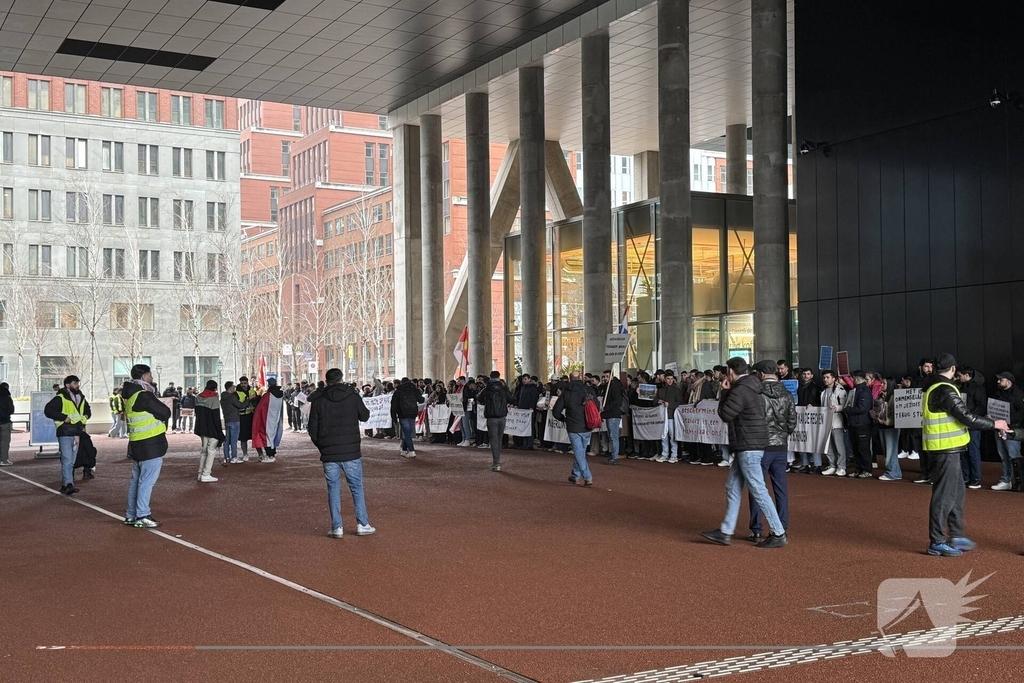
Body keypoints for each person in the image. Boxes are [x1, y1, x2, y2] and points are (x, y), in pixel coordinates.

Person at [920, 353, 1006, 556]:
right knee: (945, 496)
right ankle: (937, 541)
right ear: (952, 370)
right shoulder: (945, 389)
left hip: (947, 449)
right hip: (945, 450)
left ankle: (956, 535)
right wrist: (994, 424)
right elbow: (966, 417)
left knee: (956, 494)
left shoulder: (933, 386)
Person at [701, 357, 788, 549]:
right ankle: (725, 530)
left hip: (748, 445)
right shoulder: (751, 386)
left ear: (731, 372)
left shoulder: (740, 389)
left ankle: (778, 532)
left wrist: (724, 392)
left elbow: (725, 414)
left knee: (757, 489)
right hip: (750, 443)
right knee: (733, 486)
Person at [308, 368, 375, 538]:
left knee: (333, 489)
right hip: (351, 451)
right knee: (356, 488)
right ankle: (362, 524)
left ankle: (337, 527)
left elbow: (312, 429)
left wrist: (322, 446)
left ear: (326, 380)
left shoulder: (319, 400)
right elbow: (365, 416)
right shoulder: (352, 396)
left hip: (329, 452)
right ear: (341, 378)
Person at [747, 360, 796, 543]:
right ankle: (781, 527)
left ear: (760, 374)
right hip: (781, 446)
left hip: (760, 445)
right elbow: (792, 422)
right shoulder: (788, 394)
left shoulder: (757, 393)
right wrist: (782, 434)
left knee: (757, 487)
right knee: (781, 488)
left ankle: (756, 528)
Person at [123, 364, 172, 527]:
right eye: (150, 375)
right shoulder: (144, 395)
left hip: (137, 443)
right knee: (146, 481)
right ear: (144, 376)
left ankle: (131, 514)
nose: (151, 378)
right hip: (150, 443)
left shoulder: (130, 397)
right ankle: (142, 515)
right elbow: (165, 412)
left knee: (136, 481)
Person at [44, 375, 92, 495]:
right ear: (67, 385)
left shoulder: (81, 397)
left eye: (77, 383)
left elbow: (88, 410)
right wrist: (64, 418)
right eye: (75, 383)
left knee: (72, 461)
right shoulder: (60, 398)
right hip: (65, 431)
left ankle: (66, 484)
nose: (77, 385)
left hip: (77, 432)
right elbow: (48, 410)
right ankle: (69, 484)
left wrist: (85, 417)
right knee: (67, 459)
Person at [552, 371, 596, 486]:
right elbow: (597, 406)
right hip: (588, 424)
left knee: (578, 452)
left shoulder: (566, 392)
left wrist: (564, 419)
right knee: (581, 451)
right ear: (580, 378)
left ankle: (587, 477)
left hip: (573, 425)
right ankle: (575, 475)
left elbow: (556, 411)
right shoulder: (588, 390)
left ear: (570, 379)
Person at [990, 371, 1023, 491]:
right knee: (1003, 455)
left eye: (1001, 379)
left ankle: (1018, 481)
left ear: (1008, 381)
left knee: (1013, 455)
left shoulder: (1018, 394)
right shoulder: (998, 393)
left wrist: (1009, 421)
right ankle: (1006, 480)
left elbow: (1021, 412)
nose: (998, 382)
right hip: (1000, 427)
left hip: (1011, 429)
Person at [955, 366, 986, 489]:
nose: (958, 377)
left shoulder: (978, 388)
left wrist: (969, 418)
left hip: (973, 425)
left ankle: (976, 478)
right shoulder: (960, 387)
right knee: (963, 452)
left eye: (960, 375)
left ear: (967, 376)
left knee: (973, 452)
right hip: (963, 424)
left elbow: (981, 406)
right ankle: (966, 476)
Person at [479, 371, 513, 472]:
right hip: (502, 416)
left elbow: (479, 398)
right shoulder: (504, 388)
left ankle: (496, 462)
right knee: (499, 439)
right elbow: (512, 398)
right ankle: (497, 460)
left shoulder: (487, 388)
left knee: (493, 440)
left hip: (491, 417)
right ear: (499, 377)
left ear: (490, 377)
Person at [843, 371, 875, 478]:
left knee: (863, 448)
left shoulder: (864, 391)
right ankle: (859, 468)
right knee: (856, 448)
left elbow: (863, 408)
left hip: (862, 423)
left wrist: (848, 410)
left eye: (853, 378)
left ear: (856, 378)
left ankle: (867, 469)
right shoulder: (855, 390)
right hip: (854, 423)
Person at [193, 380, 224, 483]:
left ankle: (200, 473)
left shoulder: (198, 397)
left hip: (202, 427)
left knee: (204, 451)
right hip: (212, 428)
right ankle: (206, 473)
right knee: (211, 451)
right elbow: (216, 417)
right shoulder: (214, 398)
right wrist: (220, 432)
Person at [252, 377, 284, 462]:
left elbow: (260, 408)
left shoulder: (267, 395)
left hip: (267, 420)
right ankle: (272, 454)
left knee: (266, 436)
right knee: (273, 436)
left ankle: (270, 455)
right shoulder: (280, 394)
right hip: (276, 418)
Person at [655, 371, 684, 463]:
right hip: (662, 416)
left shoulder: (677, 390)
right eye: (668, 378)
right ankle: (665, 454)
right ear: (665, 379)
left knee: (672, 436)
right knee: (663, 436)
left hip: (672, 416)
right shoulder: (660, 390)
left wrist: (670, 404)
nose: (670, 380)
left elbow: (680, 404)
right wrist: (658, 401)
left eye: (672, 379)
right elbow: (654, 401)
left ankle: (674, 455)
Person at [391, 377, 421, 458]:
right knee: (408, 432)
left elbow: (393, 405)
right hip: (413, 413)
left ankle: (411, 450)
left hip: (403, 414)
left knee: (406, 433)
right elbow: (421, 400)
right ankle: (404, 449)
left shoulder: (398, 391)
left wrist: (393, 417)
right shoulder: (414, 390)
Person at [601, 369, 624, 465]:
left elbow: (616, 401)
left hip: (613, 414)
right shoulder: (608, 386)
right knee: (611, 436)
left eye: (607, 376)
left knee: (613, 436)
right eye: (604, 376)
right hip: (610, 414)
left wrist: (605, 408)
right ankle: (613, 455)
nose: (605, 378)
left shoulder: (614, 386)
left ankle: (614, 456)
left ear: (612, 376)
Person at [513, 374, 541, 450]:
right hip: (522, 410)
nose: (524, 381)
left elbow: (534, 399)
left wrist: (531, 407)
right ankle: (524, 444)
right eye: (523, 379)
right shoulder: (522, 387)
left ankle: (529, 444)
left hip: (529, 411)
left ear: (529, 379)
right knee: (523, 427)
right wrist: (517, 405)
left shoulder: (533, 388)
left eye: (525, 379)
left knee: (529, 427)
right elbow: (520, 398)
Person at [220, 381, 245, 465]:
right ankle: (234, 457)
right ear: (230, 388)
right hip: (235, 420)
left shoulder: (222, 398)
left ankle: (226, 457)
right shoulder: (232, 397)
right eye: (233, 387)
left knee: (227, 440)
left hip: (227, 420)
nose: (235, 388)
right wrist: (248, 400)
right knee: (234, 440)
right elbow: (240, 405)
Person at [235, 377, 258, 460]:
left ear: (247, 383)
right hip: (242, 417)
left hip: (252, 416)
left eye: (244, 383)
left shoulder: (252, 391)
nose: (243, 385)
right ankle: (245, 454)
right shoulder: (236, 393)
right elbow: (238, 405)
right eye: (242, 383)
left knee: (255, 435)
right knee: (243, 437)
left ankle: (261, 454)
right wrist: (248, 399)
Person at [0, 382, 13, 466]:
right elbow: (11, 410)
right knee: (5, 442)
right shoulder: (7, 398)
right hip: (5, 421)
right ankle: (3, 460)